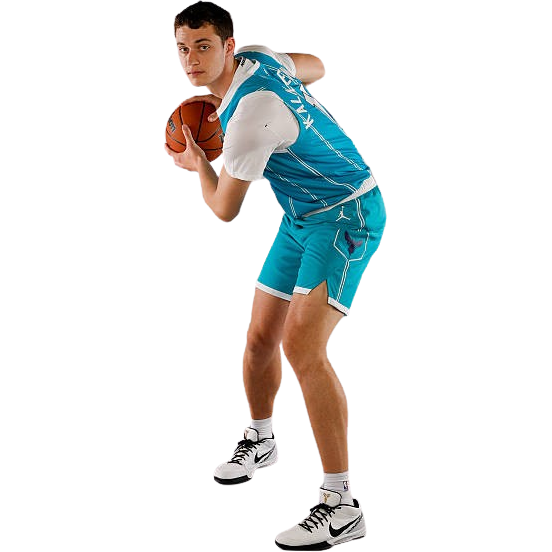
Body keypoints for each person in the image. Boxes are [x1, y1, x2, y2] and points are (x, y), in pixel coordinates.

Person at [165, 2, 386, 549]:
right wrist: (289, 88)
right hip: (300, 215)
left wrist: (200, 163)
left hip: (346, 214)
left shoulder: (249, 118)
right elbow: (317, 65)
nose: (191, 60)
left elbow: (224, 210)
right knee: (260, 339)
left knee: (303, 348)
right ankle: (262, 440)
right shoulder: (261, 59)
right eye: (183, 49)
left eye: (203, 47)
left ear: (228, 47)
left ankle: (342, 505)